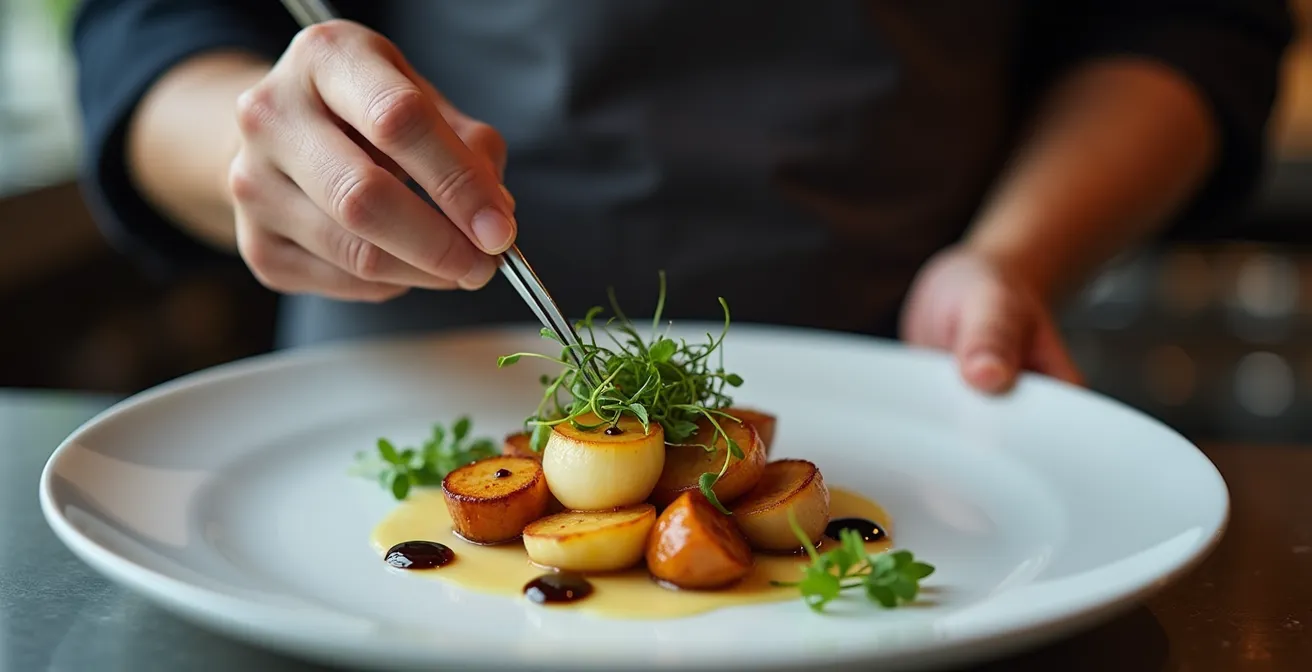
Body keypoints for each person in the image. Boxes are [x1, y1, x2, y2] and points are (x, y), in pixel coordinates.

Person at [72, 1, 1291, 395]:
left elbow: (1189, 20)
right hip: (393, 392)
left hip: (907, 385)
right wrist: (269, 154)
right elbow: (150, 22)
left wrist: (1013, 256)